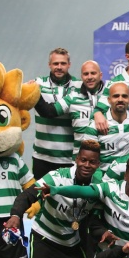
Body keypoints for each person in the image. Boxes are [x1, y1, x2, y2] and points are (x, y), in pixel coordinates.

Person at [32, 60, 105, 160]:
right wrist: (34, 92)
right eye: (86, 74)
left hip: (106, 158)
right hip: (80, 160)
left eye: (93, 73)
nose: (89, 77)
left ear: (100, 75)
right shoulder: (73, 97)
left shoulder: (111, 95)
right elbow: (49, 112)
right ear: (81, 77)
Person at [32, 47, 82, 178]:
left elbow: (48, 112)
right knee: (40, 192)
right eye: (55, 63)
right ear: (49, 64)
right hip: (41, 157)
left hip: (68, 158)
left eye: (63, 63)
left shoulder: (79, 86)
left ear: (69, 64)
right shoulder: (38, 83)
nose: (59, 67)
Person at [81, 82, 129, 171]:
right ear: (109, 100)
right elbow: (88, 158)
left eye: (124, 96)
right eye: (116, 96)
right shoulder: (94, 126)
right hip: (104, 176)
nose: (120, 99)